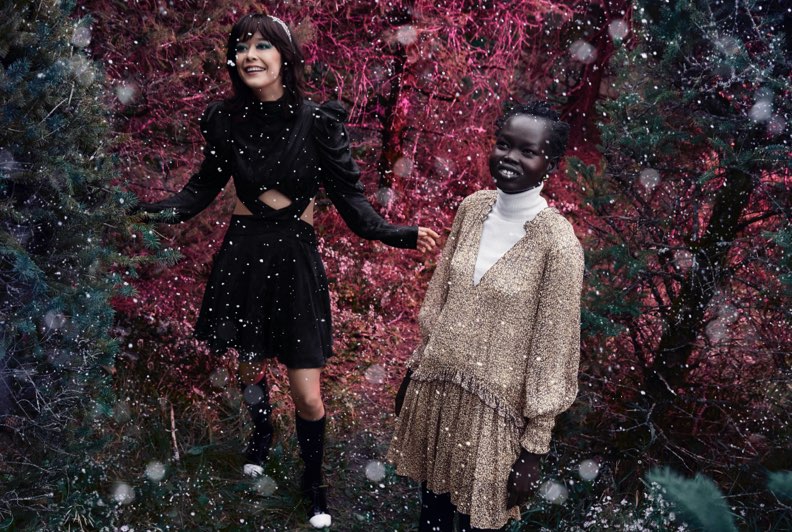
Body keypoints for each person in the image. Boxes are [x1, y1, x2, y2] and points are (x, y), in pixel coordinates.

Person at [135, 13, 438, 529]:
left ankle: (313, 481)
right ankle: (261, 433)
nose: (250, 56)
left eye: (262, 46)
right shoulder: (225, 120)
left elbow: (352, 202)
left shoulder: (317, 122)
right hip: (243, 254)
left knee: (308, 394)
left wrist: (397, 233)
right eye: (242, 47)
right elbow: (198, 192)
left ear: (285, 56)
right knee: (248, 367)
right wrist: (140, 211)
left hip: (294, 257)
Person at [387, 100, 583, 531]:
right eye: (503, 144)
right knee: (431, 517)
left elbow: (554, 349)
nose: (510, 157)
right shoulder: (473, 208)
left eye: (527, 151)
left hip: (494, 418)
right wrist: (413, 371)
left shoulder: (558, 245)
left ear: (550, 163)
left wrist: (534, 449)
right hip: (437, 392)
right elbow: (441, 298)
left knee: (477, 524)